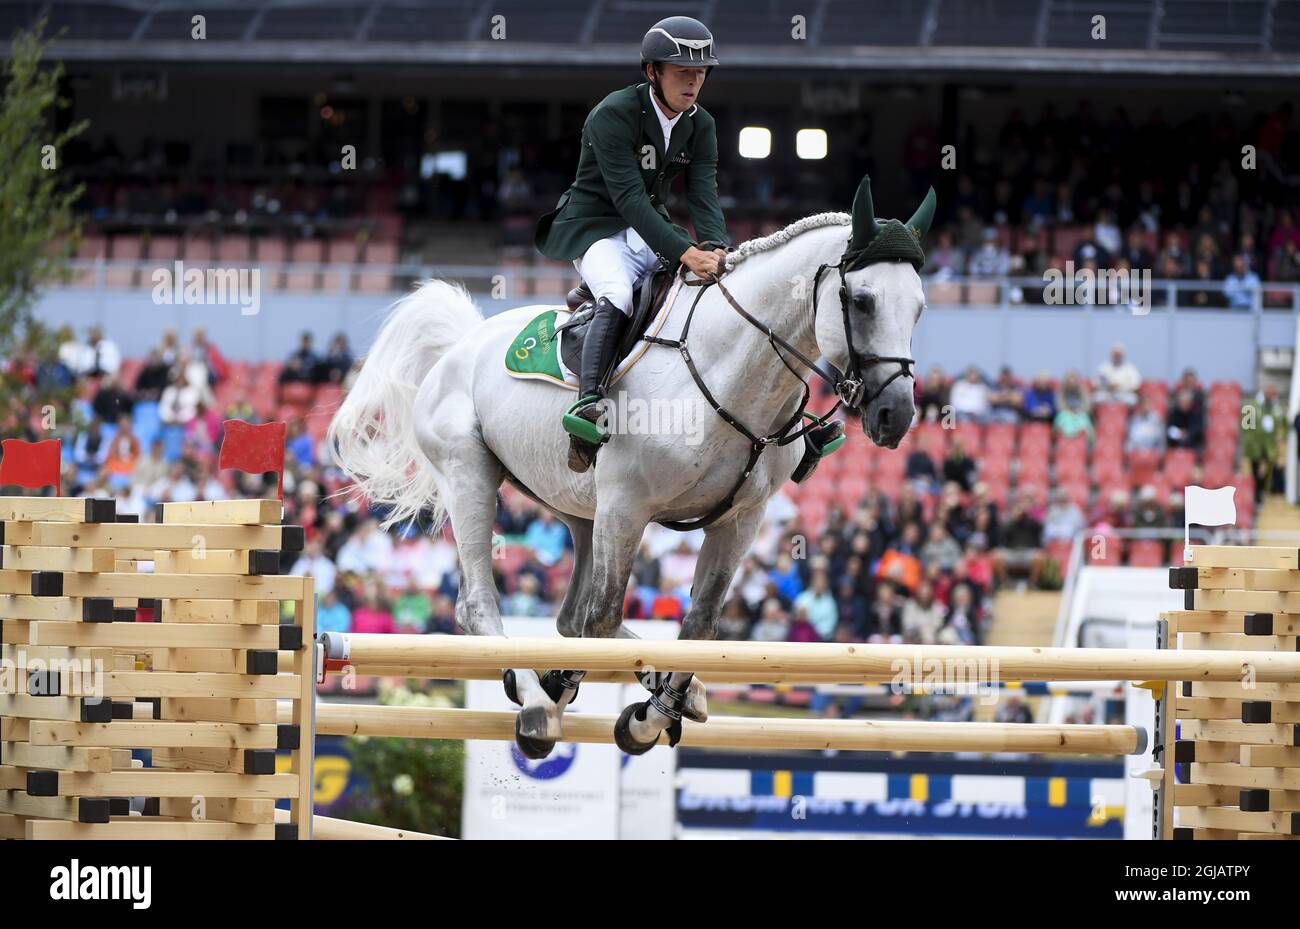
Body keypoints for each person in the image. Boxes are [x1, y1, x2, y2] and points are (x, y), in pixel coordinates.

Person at [535, 16, 729, 471]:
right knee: (619, 292)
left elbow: (703, 193)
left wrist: (716, 245)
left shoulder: (701, 125)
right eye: (682, 70)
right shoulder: (613, 113)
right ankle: (588, 405)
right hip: (594, 224)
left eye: (700, 72)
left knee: (688, 286)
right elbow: (626, 198)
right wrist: (684, 249)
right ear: (651, 72)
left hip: (645, 224)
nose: (693, 80)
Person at [1242, 383, 1285, 503]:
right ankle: (1255, 494)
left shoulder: (1278, 407)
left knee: (1268, 470)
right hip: (1255, 445)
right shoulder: (1252, 405)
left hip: (1270, 445)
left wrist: (1280, 436)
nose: (1272, 395)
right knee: (1254, 469)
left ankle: (1262, 492)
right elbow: (1246, 425)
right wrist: (1250, 439)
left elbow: (1284, 424)